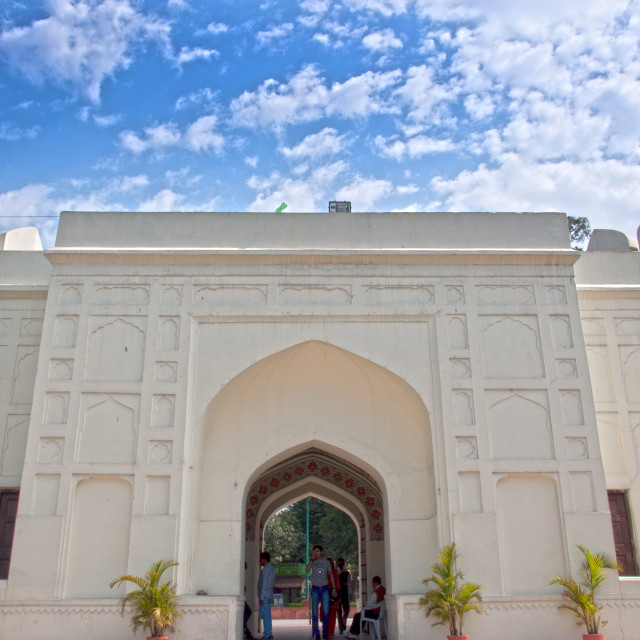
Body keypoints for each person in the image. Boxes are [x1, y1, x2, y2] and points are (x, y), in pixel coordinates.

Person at [306, 544, 338, 640]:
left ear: (321, 552)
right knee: (315, 613)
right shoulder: (313, 562)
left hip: (324, 588)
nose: (315, 553)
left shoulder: (326, 562)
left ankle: (325, 633)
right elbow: (307, 571)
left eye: (317, 551)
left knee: (326, 612)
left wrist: (334, 588)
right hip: (315, 588)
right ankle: (317, 633)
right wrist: (311, 560)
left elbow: (331, 575)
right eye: (314, 551)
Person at [257, 551, 276, 640]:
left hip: (264, 595)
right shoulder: (271, 568)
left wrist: (261, 597)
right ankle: (268, 633)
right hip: (268, 594)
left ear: (264, 559)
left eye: (260, 559)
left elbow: (264, 583)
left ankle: (267, 634)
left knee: (265, 615)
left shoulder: (265, 569)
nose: (259, 560)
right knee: (268, 615)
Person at [336, 558, 351, 634]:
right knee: (339, 611)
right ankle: (341, 627)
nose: (340, 563)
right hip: (338, 593)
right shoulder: (335, 573)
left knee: (346, 609)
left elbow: (348, 583)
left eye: (341, 562)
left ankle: (343, 623)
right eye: (339, 562)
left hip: (344, 593)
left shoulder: (346, 573)